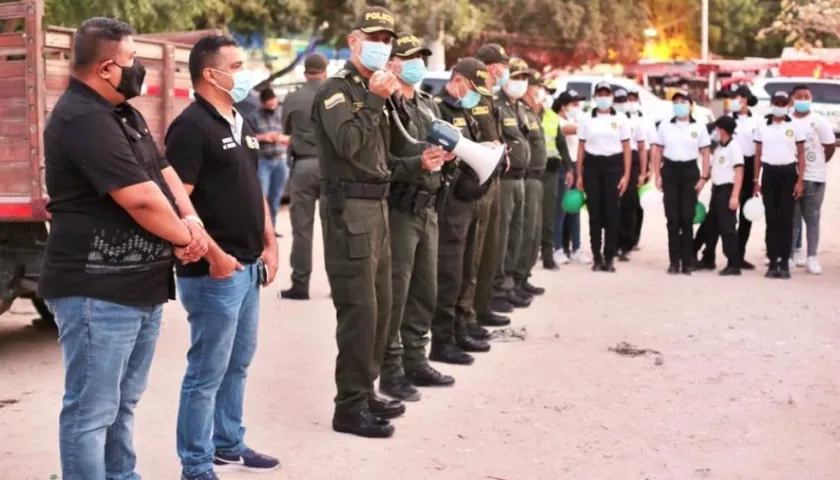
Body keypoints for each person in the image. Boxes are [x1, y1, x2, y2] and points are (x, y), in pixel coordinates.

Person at [40, 17, 208, 480]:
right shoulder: (82, 118)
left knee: (122, 403)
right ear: (107, 68)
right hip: (97, 291)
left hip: (139, 287)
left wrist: (191, 223)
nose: (138, 69)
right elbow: (139, 198)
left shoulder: (122, 113)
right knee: (91, 411)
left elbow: (162, 172)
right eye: (132, 59)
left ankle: (121, 475)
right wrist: (186, 239)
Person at [312, 6, 446, 438]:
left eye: (387, 40)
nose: (382, 46)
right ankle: (349, 407)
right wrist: (373, 99)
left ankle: (366, 391)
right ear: (354, 42)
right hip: (349, 212)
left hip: (380, 208)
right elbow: (348, 144)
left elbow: (383, 160)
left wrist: (420, 162)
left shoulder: (379, 91)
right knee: (360, 312)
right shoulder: (337, 91)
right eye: (374, 39)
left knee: (383, 308)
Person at [164, 34, 281, 479]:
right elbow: (178, 205)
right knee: (206, 371)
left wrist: (270, 243)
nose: (244, 73)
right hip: (214, 272)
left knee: (237, 364)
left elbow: (254, 189)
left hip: (248, 267)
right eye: (236, 65)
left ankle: (228, 444)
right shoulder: (191, 128)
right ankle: (195, 463)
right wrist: (215, 256)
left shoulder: (239, 121)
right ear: (211, 74)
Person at [378, 32, 455, 402]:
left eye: (421, 58)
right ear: (391, 63)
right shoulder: (386, 106)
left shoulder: (427, 104)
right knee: (397, 292)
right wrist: (416, 163)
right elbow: (379, 162)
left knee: (425, 290)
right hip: (400, 209)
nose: (417, 65)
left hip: (429, 207)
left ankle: (415, 359)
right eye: (409, 58)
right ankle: (390, 369)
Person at [429, 57, 494, 365]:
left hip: (465, 200)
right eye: (472, 88)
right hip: (449, 202)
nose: (475, 96)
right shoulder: (438, 109)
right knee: (449, 272)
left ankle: (459, 329)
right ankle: (442, 341)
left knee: (465, 268)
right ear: (457, 81)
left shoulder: (462, 110)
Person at [468, 43, 517, 329]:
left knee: (490, 248)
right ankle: (471, 313)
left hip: (493, 179)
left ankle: (483, 306)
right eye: (501, 66)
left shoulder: (489, 98)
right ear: (488, 67)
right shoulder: (474, 98)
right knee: (475, 252)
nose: (503, 72)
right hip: (478, 182)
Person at [280, 52, 328, 300]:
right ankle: (339, 286)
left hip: (303, 166)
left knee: (302, 229)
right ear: (325, 71)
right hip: (331, 168)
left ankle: (300, 285)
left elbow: (286, 129)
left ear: (305, 71)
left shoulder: (293, 97)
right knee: (335, 229)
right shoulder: (334, 95)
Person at [695, 85, 758, 270]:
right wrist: (703, 179)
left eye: (738, 97)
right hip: (725, 171)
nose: (734, 101)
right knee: (715, 220)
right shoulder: (727, 121)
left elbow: (756, 152)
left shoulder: (757, 121)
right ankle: (708, 255)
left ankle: (737, 257)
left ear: (745, 99)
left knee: (741, 218)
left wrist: (754, 180)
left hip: (743, 168)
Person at [651, 89, 711, 275]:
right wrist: (657, 175)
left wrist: (703, 178)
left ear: (691, 105)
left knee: (686, 218)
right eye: (676, 102)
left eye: (683, 102)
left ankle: (687, 261)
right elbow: (658, 151)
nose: (679, 105)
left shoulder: (699, 127)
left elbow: (705, 153)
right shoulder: (665, 126)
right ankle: (674, 261)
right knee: (672, 219)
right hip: (670, 171)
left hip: (689, 171)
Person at [576, 82, 632, 272]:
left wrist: (626, 174)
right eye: (599, 94)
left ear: (612, 97)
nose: (603, 98)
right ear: (594, 97)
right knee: (595, 214)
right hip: (592, 166)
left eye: (606, 94)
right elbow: (581, 147)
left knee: (612, 214)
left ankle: (609, 257)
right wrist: (579, 174)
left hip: (613, 166)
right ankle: (597, 257)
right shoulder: (586, 119)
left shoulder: (621, 119)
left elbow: (626, 147)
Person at [492, 57, 534, 306]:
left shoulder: (519, 107)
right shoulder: (497, 104)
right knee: (503, 235)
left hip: (520, 178)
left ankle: (510, 284)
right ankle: (498, 288)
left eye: (525, 78)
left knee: (517, 233)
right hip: (506, 179)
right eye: (517, 77)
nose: (521, 82)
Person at [753, 90, 806, 279]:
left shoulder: (795, 126)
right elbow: (758, 154)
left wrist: (800, 181)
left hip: (788, 173)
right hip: (769, 173)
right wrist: (756, 180)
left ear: (788, 105)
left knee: (786, 219)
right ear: (771, 104)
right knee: (771, 219)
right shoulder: (762, 125)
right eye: (777, 103)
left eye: (783, 103)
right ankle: (772, 260)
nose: (780, 106)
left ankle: (784, 261)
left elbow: (801, 153)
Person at [790, 84, 835, 274]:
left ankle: (812, 257)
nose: (802, 100)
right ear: (792, 99)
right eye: (799, 97)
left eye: (806, 96)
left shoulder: (819, 121)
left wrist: (819, 162)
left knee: (813, 218)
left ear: (811, 99)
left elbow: (829, 146)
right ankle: (791, 255)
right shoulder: (787, 121)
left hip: (814, 177)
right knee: (792, 219)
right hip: (791, 177)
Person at [513, 69, 549, 295]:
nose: (540, 91)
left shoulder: (532, 112)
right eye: (537, 86)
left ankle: (523, 276)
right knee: (523, 232)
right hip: (525, 178)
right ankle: (514, 280)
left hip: (537, 177)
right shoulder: (520, 111)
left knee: (534, 234)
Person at [540, 83, 574, 270]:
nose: (545, 96)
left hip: (552, 170)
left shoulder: (551, 117)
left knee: (551, 213)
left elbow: (561, 144)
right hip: (531, 172)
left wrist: (569, 167)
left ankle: (549, 253)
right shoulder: (526, 114)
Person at [705, 116, 745, 275]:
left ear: (723, 130)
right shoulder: (720, 148)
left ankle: (733, 263)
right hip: (716, 191)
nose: (715, 132)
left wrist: (735, 196)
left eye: (717, 128)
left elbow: (739, 171)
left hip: (727, 190)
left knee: (727, 228)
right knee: (712, 226)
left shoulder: (734, 147)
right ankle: (708, 258)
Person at [613, 88, 648, 262]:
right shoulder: (609, 120)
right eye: (618, 101)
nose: (622, 104)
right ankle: (612, 243)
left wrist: (643, 172)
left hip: (632, 161)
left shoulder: (636, 121)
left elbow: (642, 148)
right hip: (613, 160)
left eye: (624, 101)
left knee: (629, 204)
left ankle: (626, 245)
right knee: (613, 204)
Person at [554, 90, 588, 265]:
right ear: (563, 106)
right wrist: (592, 124)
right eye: (574, 104)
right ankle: (558, 248)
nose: (578, 107)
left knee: (575, 207)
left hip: (576, 166)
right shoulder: (557, 121)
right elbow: (569, 130)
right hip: (563, 167)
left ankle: (576, 248)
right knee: (561, 209)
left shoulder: (574, 120)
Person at [251, 88, 290, 233]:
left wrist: (280, 138)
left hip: (280, 161)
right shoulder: (253, 117)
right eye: (269, 105)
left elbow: (291, 135)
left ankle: (272, 229)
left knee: (276, 197)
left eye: (274, 104)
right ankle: (261, 231)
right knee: (263, 198)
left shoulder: (282, 114)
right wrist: (263, 137)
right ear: (262, 103)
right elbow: (247, 138)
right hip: (263, 161)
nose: (272, 107)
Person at [625, 88, 655, 251]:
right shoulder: (621, 117)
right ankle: (624, 238)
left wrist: (649, 168)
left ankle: (634, 237)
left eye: (634, 99)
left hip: (639, 161)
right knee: (626, 201)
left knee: (637, 202)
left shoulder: (646, 119)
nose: (631, 102)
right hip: (623, 159)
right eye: (628, 99)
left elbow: (650, 145)